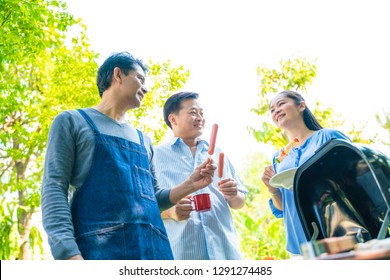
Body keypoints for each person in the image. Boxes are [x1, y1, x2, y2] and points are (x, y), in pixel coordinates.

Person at [41, 52, 216, 260]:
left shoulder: (144, 141)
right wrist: (68, 252)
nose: (146, 87)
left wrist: (191, 184)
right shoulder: (72, 122)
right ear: (118, 75)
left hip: (154, 252)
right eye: (140, 78)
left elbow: (153, 200)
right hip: (98, 252)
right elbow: (54, 187)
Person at [154, 91, 247, 260]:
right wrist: (170, 212)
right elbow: (143, 207)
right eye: (193, 112)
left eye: (202, 113)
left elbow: (239, 203)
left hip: (225, 252)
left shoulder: (219, 154)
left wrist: (234, 194)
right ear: (173, 119)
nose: (200, 118)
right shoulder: (155, 156)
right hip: (183, 255)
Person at [261, 90, 351, 258]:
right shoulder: (279, 158)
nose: (276, 111)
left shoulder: (329, 137)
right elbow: (283, 208)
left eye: (281, 104)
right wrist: (272, 189)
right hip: (299, 245)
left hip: (338, 235)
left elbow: (355, 177)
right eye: (272, 109)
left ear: (301, 105)